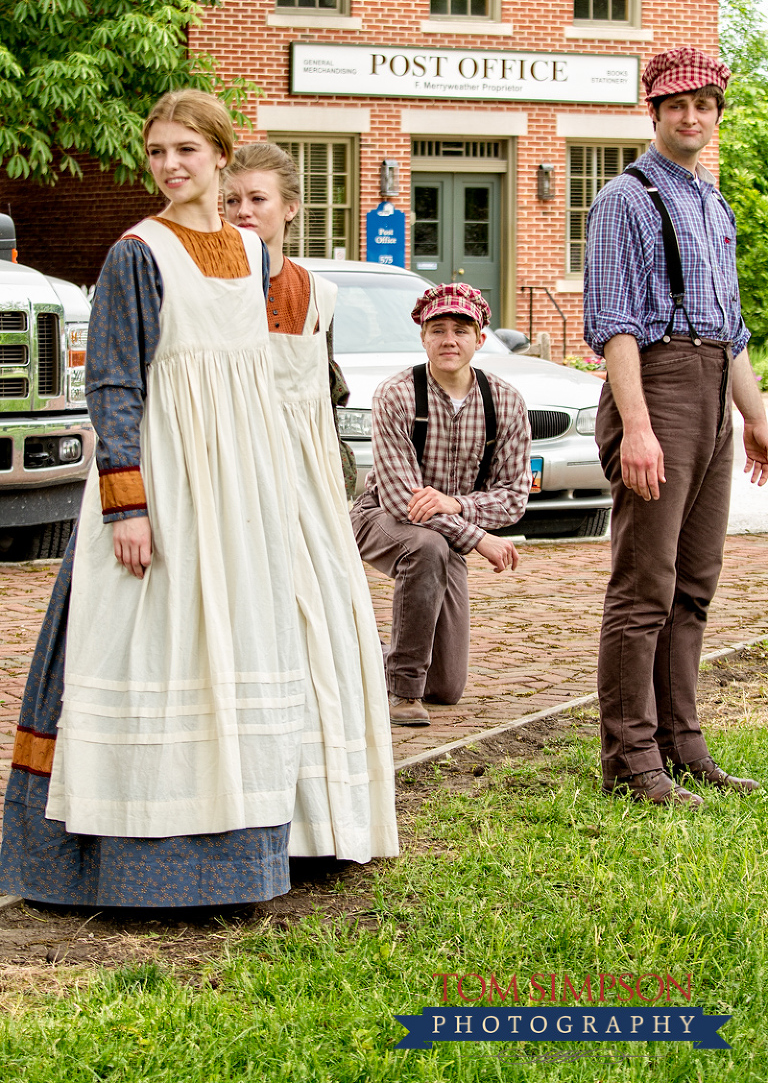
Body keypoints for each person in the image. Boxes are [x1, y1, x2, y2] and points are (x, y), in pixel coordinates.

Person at [0, 90, 310, 907]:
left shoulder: (253, 253)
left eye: (186, 150)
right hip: (165, 481)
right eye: (157, 152)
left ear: (222, 156)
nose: (170, 166)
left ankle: (235, 865)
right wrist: (127, 505)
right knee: (140, 644)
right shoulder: (137, 253)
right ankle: (125, 870)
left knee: (232, 648)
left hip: (237, 489)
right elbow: (113, 385)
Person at [584, 46, 768, 808]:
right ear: (654, 111)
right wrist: (637, 425)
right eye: (677, 105)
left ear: (716, 114)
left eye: (704, 105)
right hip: (656, 390)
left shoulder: (712, 202)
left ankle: (680, 744)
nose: (692, 117)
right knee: (644, 588)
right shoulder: (624, 199)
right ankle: (630, 759)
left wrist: (756, 416)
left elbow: (731, 330)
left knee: (693, 585)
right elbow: (614, 324)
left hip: (715, 391)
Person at [222, 143, 398, 861]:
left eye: (257, 200)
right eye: (232, 200)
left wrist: (334, 484)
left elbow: (323, 396)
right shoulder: (205, 285)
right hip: (228, 473)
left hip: (300, 482)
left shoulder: (316, 294)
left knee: (314, 628)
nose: (243, 212)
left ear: (289, 208)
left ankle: (318, 818)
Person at [350, 282, 532, 727]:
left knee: (447, 687)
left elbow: (513, 497)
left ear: (480, 338)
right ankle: (404, 691)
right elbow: (400, 498)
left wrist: (455, 504)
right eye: (438, 330)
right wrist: (479, 538)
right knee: (426, 546)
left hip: (446, 534)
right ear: (423, 337)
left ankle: (358, 654)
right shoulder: (396, 394)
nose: (449, 340)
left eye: (461, 330)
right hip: (380, 517)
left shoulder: (505, 402)